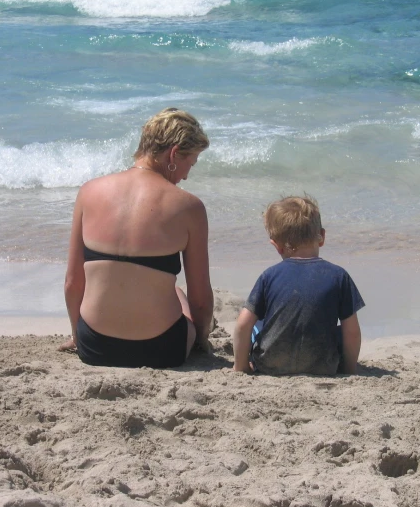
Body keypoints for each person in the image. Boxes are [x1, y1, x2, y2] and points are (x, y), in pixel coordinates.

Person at [59, 108, 214, 368]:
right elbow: (199, 299)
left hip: (94, 347)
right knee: (177, 291)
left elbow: (73, 282)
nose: (187, 175)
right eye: (191, 163)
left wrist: (78, 335)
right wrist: (201, 341)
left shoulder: (89, 192)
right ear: (174, 154)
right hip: (163, 349)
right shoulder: (189, 207)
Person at [233, 195, 364, 375]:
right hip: (322, 366)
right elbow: (352, 332)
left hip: (270, 365)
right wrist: (348, 370)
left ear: (276, 245)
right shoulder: (339, 276)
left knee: (258, 324)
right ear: (322, 237)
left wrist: (240, 367)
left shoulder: (269, 276)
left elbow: (242, 325)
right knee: (340, 332)